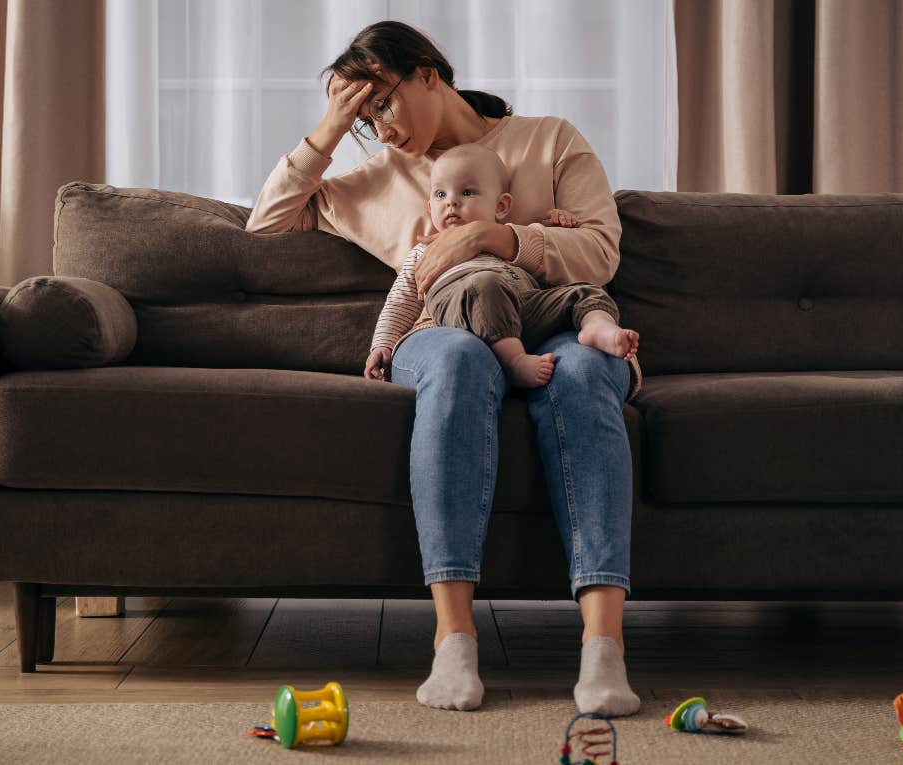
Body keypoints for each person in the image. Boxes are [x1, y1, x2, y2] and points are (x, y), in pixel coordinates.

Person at [246, 20, 641, 718]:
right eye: (367, 116)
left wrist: (497, 235)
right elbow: (266, 225)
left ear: (429, 73)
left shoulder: (548, 139)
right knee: (458, 359)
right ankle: (453, 637)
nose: (381, 126)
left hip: (555, 321)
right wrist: (331, 130)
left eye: (384, 102)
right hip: (445, 330)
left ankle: (603, 645)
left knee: (582, 372)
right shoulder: (376, 181)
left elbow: (601, 252)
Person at [363, 142, 640, 389]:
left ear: (501, 206)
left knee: (584, 291)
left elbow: (547, 251)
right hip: (466, 311)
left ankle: (596, 327)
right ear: (429, 208)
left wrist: (559, 222)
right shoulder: (425, 249)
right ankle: (515, 361)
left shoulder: (512, 235)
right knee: (485, 285)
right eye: (440, 195)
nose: (452, 202)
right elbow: (401, 301)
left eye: (467, 192)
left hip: (522, 309)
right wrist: (382, 344)